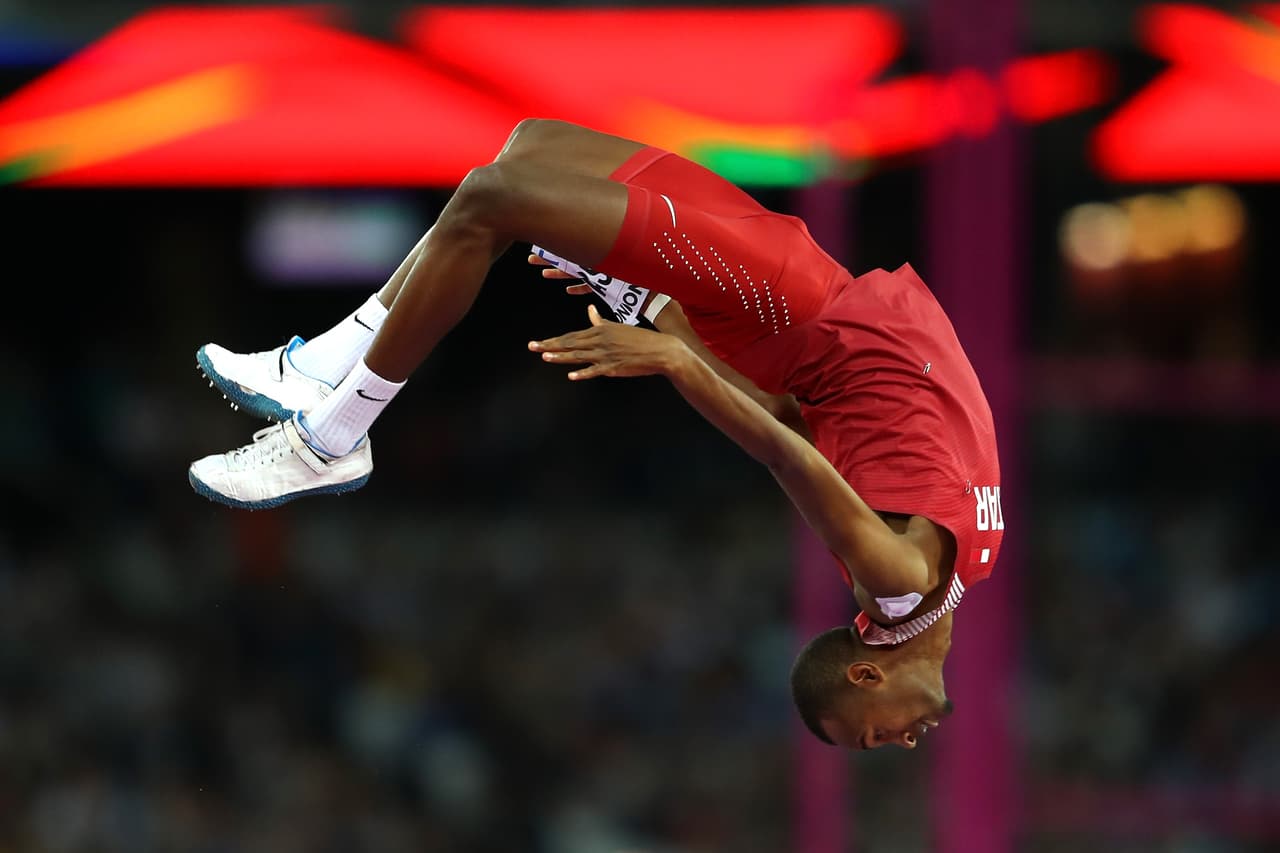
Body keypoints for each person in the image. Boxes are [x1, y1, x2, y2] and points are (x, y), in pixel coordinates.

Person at [188, 119, 1004, 750]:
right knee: (528, 150)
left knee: (492, 201)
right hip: (800, 296)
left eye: (873, 733)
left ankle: (333, 433)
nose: (897, 741)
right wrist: (656, 312)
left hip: (788, 304)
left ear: (864, 669)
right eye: (877, 735)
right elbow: (802, 416)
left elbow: (781, 451)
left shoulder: (895, 581)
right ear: (868, 674)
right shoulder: (970, 561)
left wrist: (674, 360)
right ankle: (326, 364)